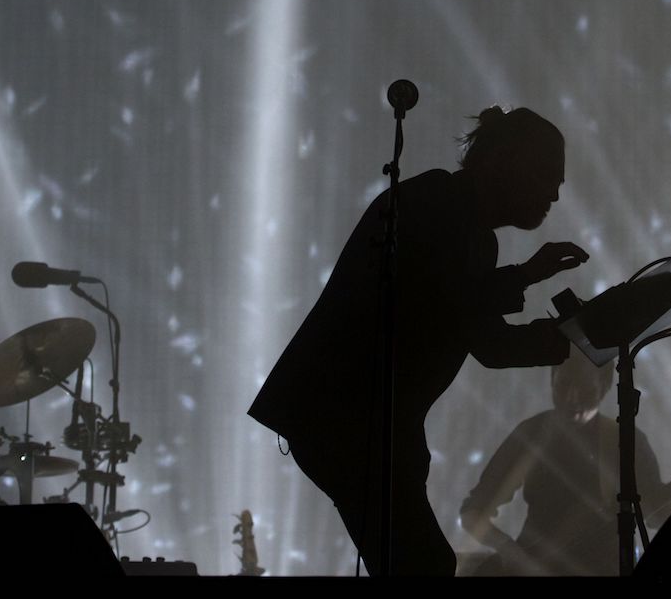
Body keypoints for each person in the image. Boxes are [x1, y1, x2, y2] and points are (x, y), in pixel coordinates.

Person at [249, 105, 588, 576]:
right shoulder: (434, 202)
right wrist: (535, 286)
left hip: (360, 423)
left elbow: (487, 341)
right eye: (548, 175)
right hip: (343, 416)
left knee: (418, 564)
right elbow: (452, 305)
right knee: (421, 566)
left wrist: (568, 333)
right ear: (503, 161)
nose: (554, 193)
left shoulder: (469, 231)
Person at [459, 352, 671, 576]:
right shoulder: (531, 433)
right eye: (562, 385)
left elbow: (654, 516)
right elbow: (473, 512)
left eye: (584, 389)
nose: (572, 398)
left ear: (604, 388)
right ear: (551, 379)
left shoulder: (627, 440)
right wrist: (512, 553)